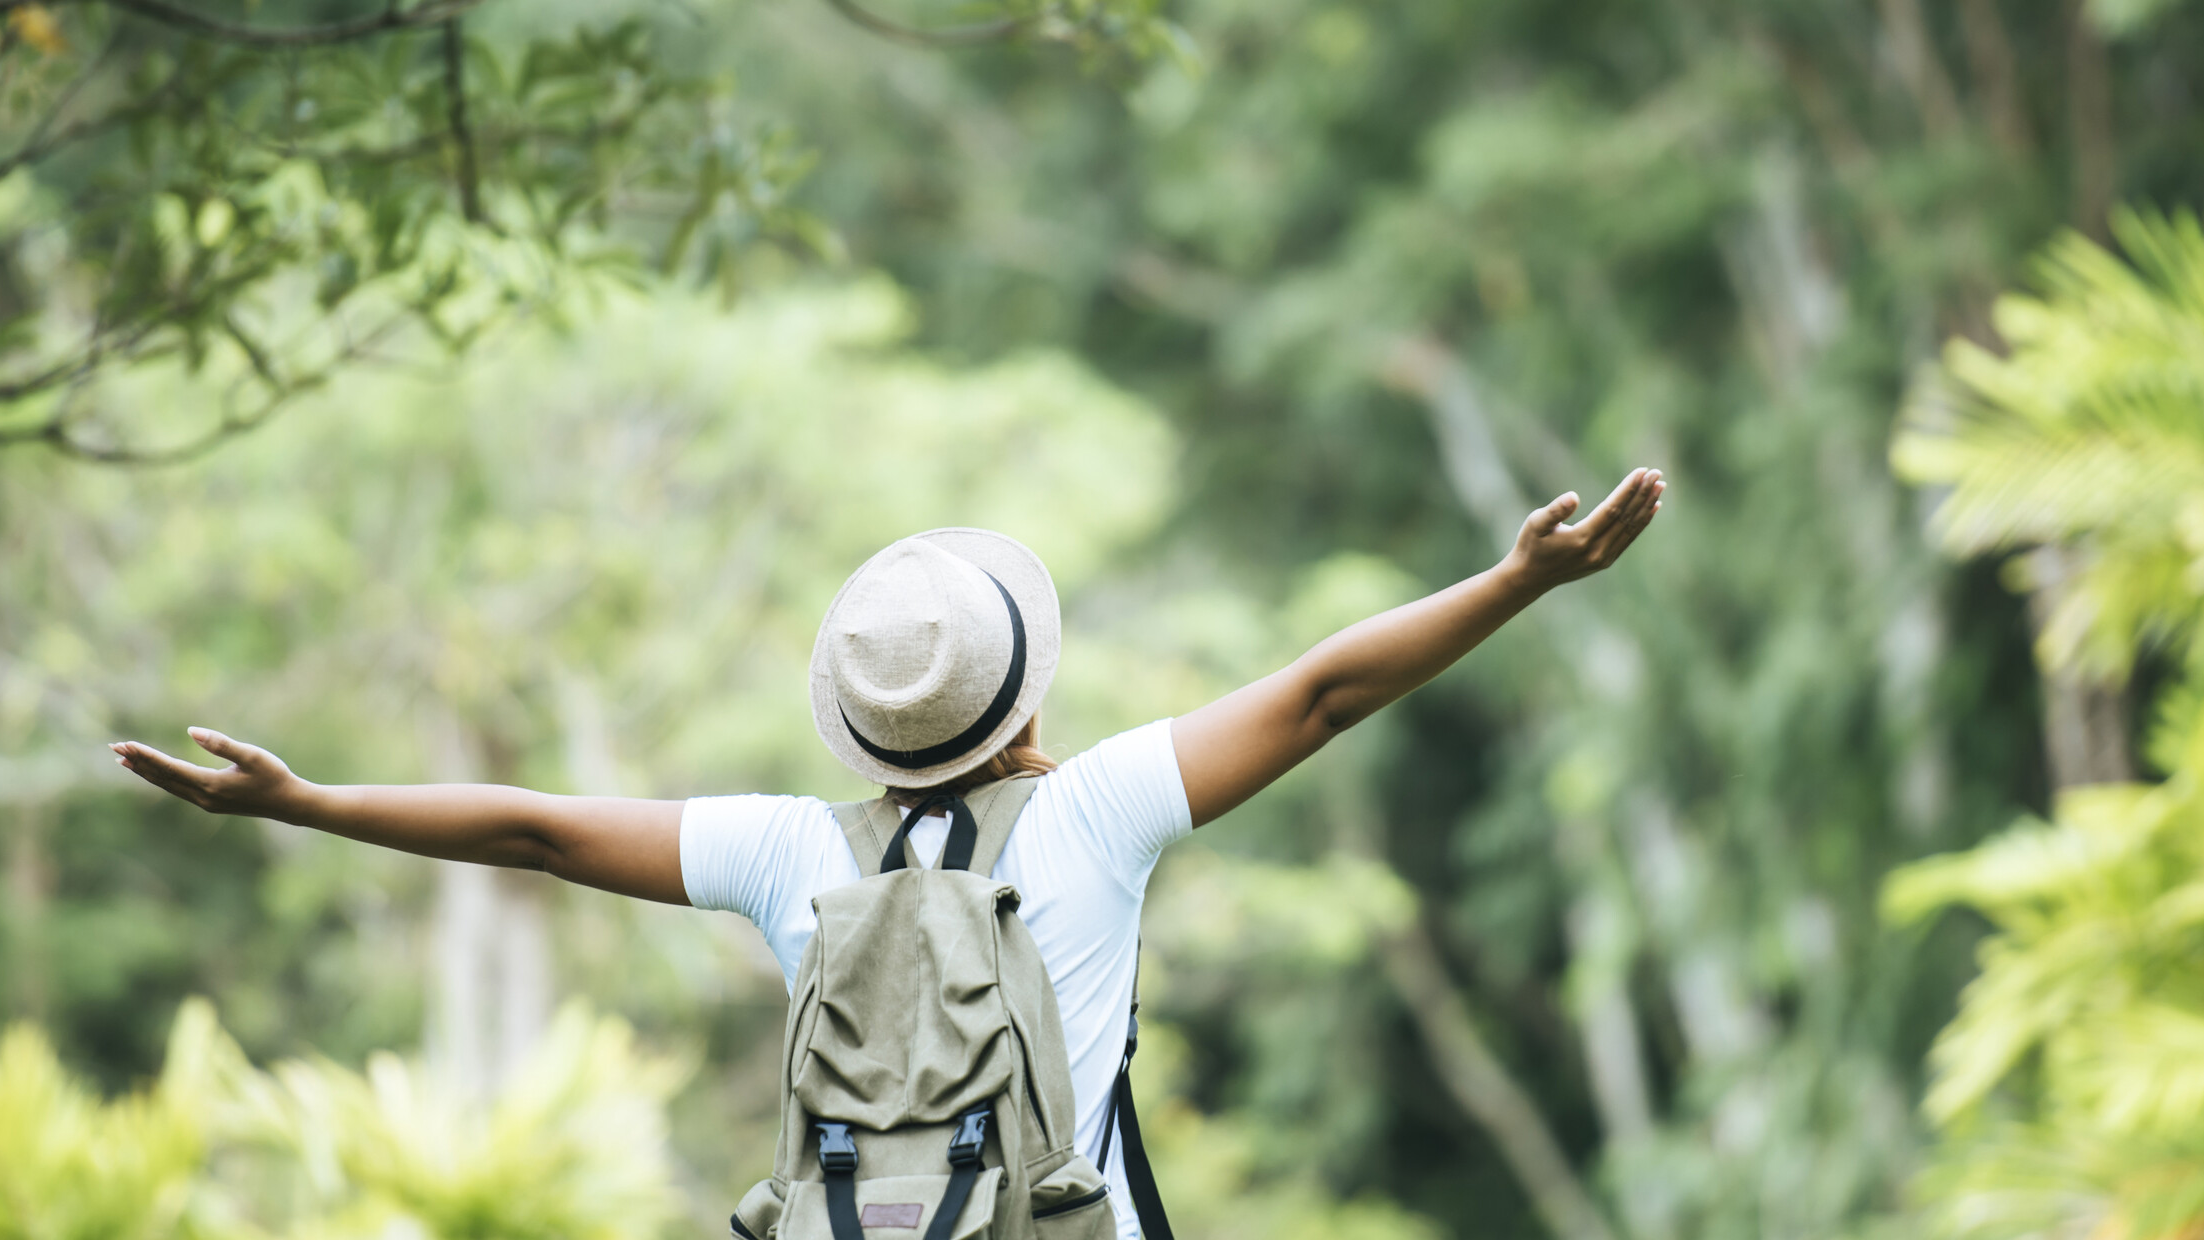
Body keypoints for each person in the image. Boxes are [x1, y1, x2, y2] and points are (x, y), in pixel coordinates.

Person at [113, 468, 1664, 1238]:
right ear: (1025, 689)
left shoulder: (791, 853)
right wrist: (1518, 582)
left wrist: (304, 801)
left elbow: (531, 828)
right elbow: (1325, 692)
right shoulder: (1098, 811)